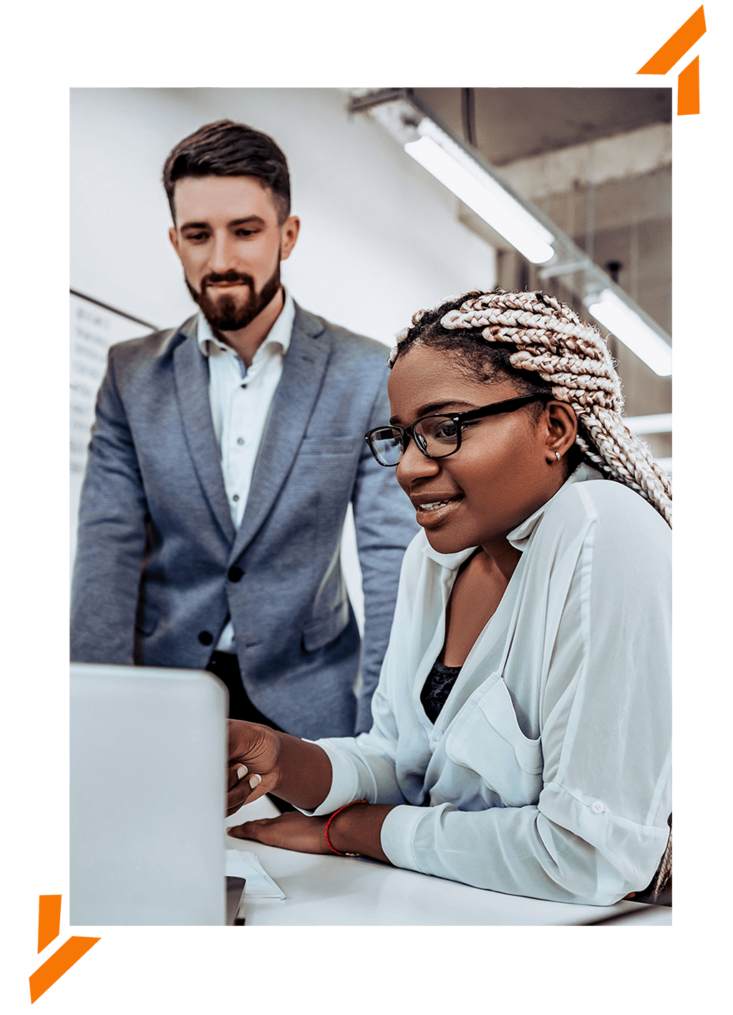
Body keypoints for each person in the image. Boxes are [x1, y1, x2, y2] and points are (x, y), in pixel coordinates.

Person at [226, 288, 673, 907]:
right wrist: (282, 757)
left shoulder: (604, 527)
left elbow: (587, 856)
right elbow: (402, 761)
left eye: (445, 429)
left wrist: (349, 831)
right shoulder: (435, 561)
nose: (409, 467)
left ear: (555, 427)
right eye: (403, 437)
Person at [70, 119, 418, 746]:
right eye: (199, 235)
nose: (221, 259)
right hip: (163, 693)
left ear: (287, 236)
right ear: (175, 241)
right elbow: (106, 552)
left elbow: (391, 559)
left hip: (310, 701)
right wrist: (94, 722)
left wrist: (382, 737)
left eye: (246, 231)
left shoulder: (364, 371)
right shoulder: (130, 374)